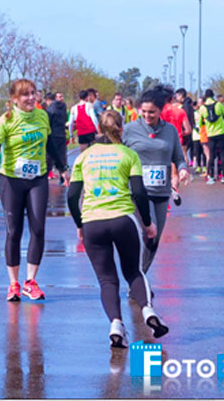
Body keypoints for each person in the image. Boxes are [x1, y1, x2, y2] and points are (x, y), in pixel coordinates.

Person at [67, 110, 168, 348]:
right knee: (133, 271)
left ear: (98, 130)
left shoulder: (84, 157)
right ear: (121, 129)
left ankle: (115, 325)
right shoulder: (128, 154)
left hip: (93, 222)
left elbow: (72, 196)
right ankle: (148, 311)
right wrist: (147, 223)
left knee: (107, 280)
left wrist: (80, 224)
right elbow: (140, 194)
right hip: (123, 220)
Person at [0, 79, 70, 301]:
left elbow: (50, 144)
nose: (31, 98)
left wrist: (62, 168)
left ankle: (30, 281)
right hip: (11, 180)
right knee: (14, 231)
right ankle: (13, 283)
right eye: (25, 95)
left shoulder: (42, 116)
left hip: (37, 179)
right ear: (14, 99)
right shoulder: (6, 120)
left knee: (38, 229)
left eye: (33, 93)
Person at [122, 85, 190, 274]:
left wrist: (183, 170)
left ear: (160, 110)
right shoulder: (129, 130)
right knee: (146, 233)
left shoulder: (169, 131)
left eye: (152, 112)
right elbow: (118, 154)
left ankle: (140, 275)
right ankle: (137, 280)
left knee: (155, 238)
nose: (147, 115)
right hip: (138, 192)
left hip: (161, 191)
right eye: (143, 111)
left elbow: (178, 158)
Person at [198, 89, 224, 184]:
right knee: (222, 154)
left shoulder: (202, 108)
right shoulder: (219, 105)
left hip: (210, 133)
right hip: (220, 132)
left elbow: (200, 123)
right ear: (213, 96)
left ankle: (210, 176)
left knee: (211, 155)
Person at [45, 92, 69, 180]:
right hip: (62, 134)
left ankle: (47, 175)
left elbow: (48, 120)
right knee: (62, 156)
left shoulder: (50, 108)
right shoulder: (63, 106)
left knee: (50, 156)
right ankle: (63, 178)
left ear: (48, 100)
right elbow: (65, 118)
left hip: (53, 134)